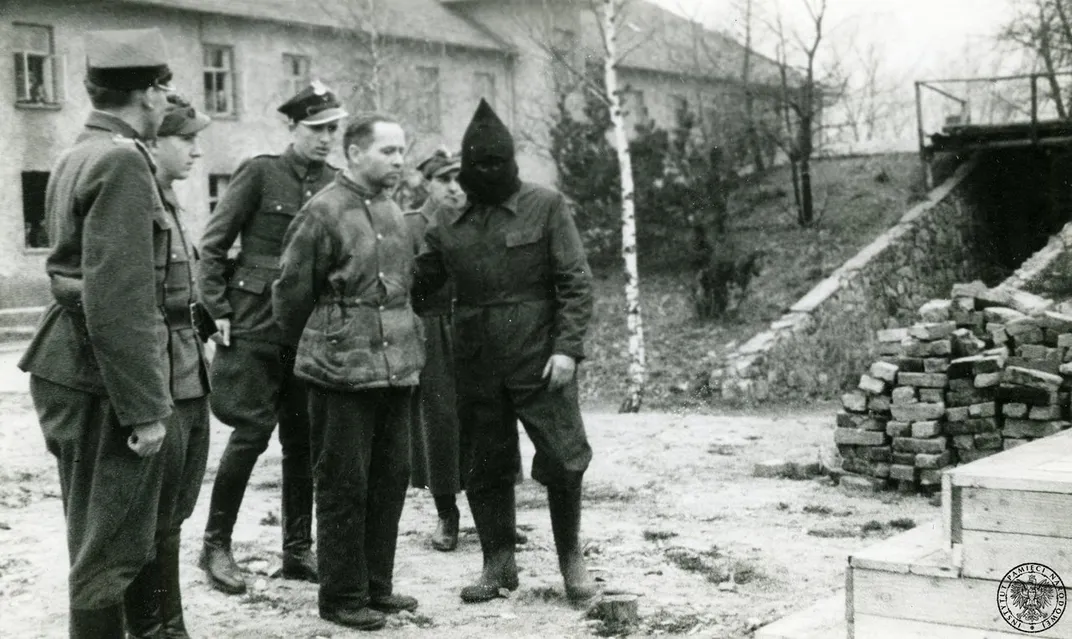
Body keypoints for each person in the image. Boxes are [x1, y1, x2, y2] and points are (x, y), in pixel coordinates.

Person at [16, 28, 178, 638]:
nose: (167, 102)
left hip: (72, 365)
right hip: (99, 376)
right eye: (165, 90)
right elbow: (122, 299)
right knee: (109, 548)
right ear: (150, 92)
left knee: (94, 532)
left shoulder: (78, 151)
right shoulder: (121, 159)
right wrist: (143, 411)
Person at [414, 99, 599, 605]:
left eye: (500, 162)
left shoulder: (546, 205)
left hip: (540, 361)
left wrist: (567, 350)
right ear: (464, 169)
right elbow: (424, 299)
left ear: (514, 162)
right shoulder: (447, 224)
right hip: (476, 364)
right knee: (484, 464)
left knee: (564, 460)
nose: (490, 173)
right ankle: (497, 564)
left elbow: (576, 284)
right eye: (479, 165)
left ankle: (571, 562)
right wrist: (423, 263)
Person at [274, 113, 423, 631]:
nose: (399, 160)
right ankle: (341, 597)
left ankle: (376, 589)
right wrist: (321, 347)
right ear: (355, 152)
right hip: (340, 371)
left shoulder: (393, 211)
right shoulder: (323, 212)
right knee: (343, 484)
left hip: (396, 368)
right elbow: (292, 293)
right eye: (388, 151)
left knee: (390, 480)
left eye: (402, 151)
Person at [196, 81, 346, 595]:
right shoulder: (260, 173)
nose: (326, 139)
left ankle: (298, 550)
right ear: (292, 127)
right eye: (316, 129)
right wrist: (215, 309)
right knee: (249, 434)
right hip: (255, 321)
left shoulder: (337, 184)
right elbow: (212, 246)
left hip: (308, 327)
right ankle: (216, 546)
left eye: (333, 129)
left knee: (302, 439)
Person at [405, 149, 528, 552]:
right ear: (427, 183)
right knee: (440, 423)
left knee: (492, 417)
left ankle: (499, 519)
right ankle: (447, 514)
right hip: (433, 331)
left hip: (480, 329)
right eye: (444, 179)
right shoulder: (410, 225)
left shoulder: (481, 219)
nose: (455, 187)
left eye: (460, 177)